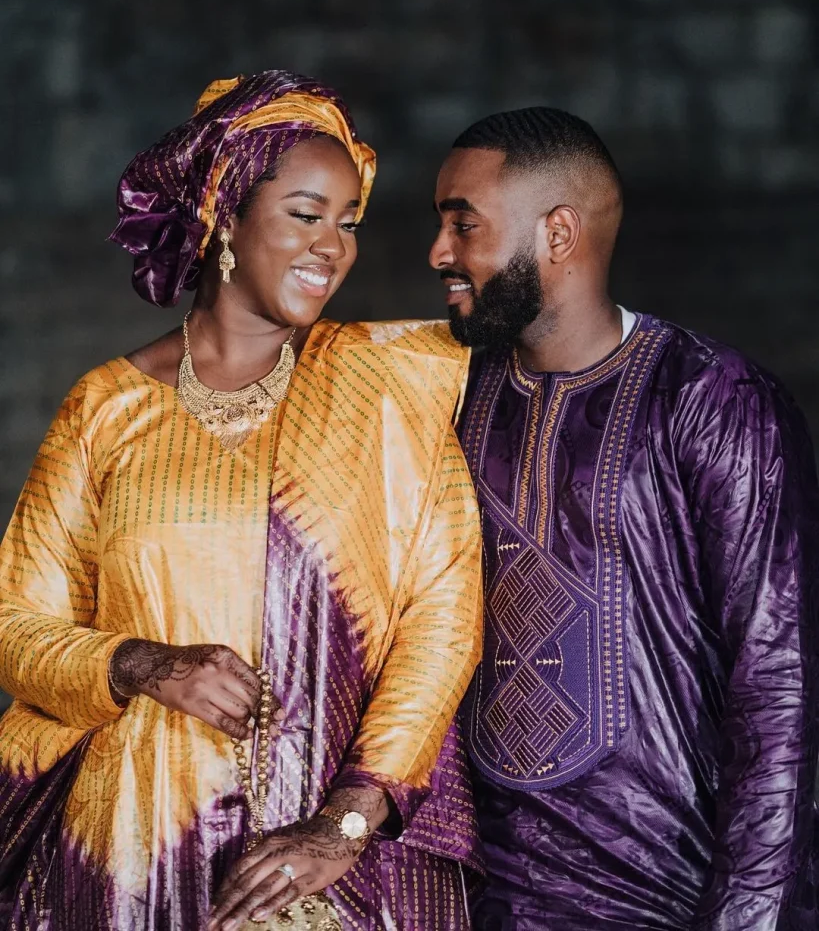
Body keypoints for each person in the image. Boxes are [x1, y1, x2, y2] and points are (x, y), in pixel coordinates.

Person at [0, 70, 484, 931]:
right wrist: (141, 665)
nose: (332, 245)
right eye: (306, 214)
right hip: (131, 853)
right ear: (225, 210)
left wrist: (345, 822)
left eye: (348, 223)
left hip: (330, 872)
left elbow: (441, 620)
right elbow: (15, 625)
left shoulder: (384, 383)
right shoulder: (106, 407)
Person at [429, 106, 819, 930]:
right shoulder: (445, 398)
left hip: (671, 900)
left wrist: (744, 919)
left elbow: (777, 685)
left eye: (463, 225)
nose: (439, 254)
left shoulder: (714, 401)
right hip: (481, 899)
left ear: (558, 233)